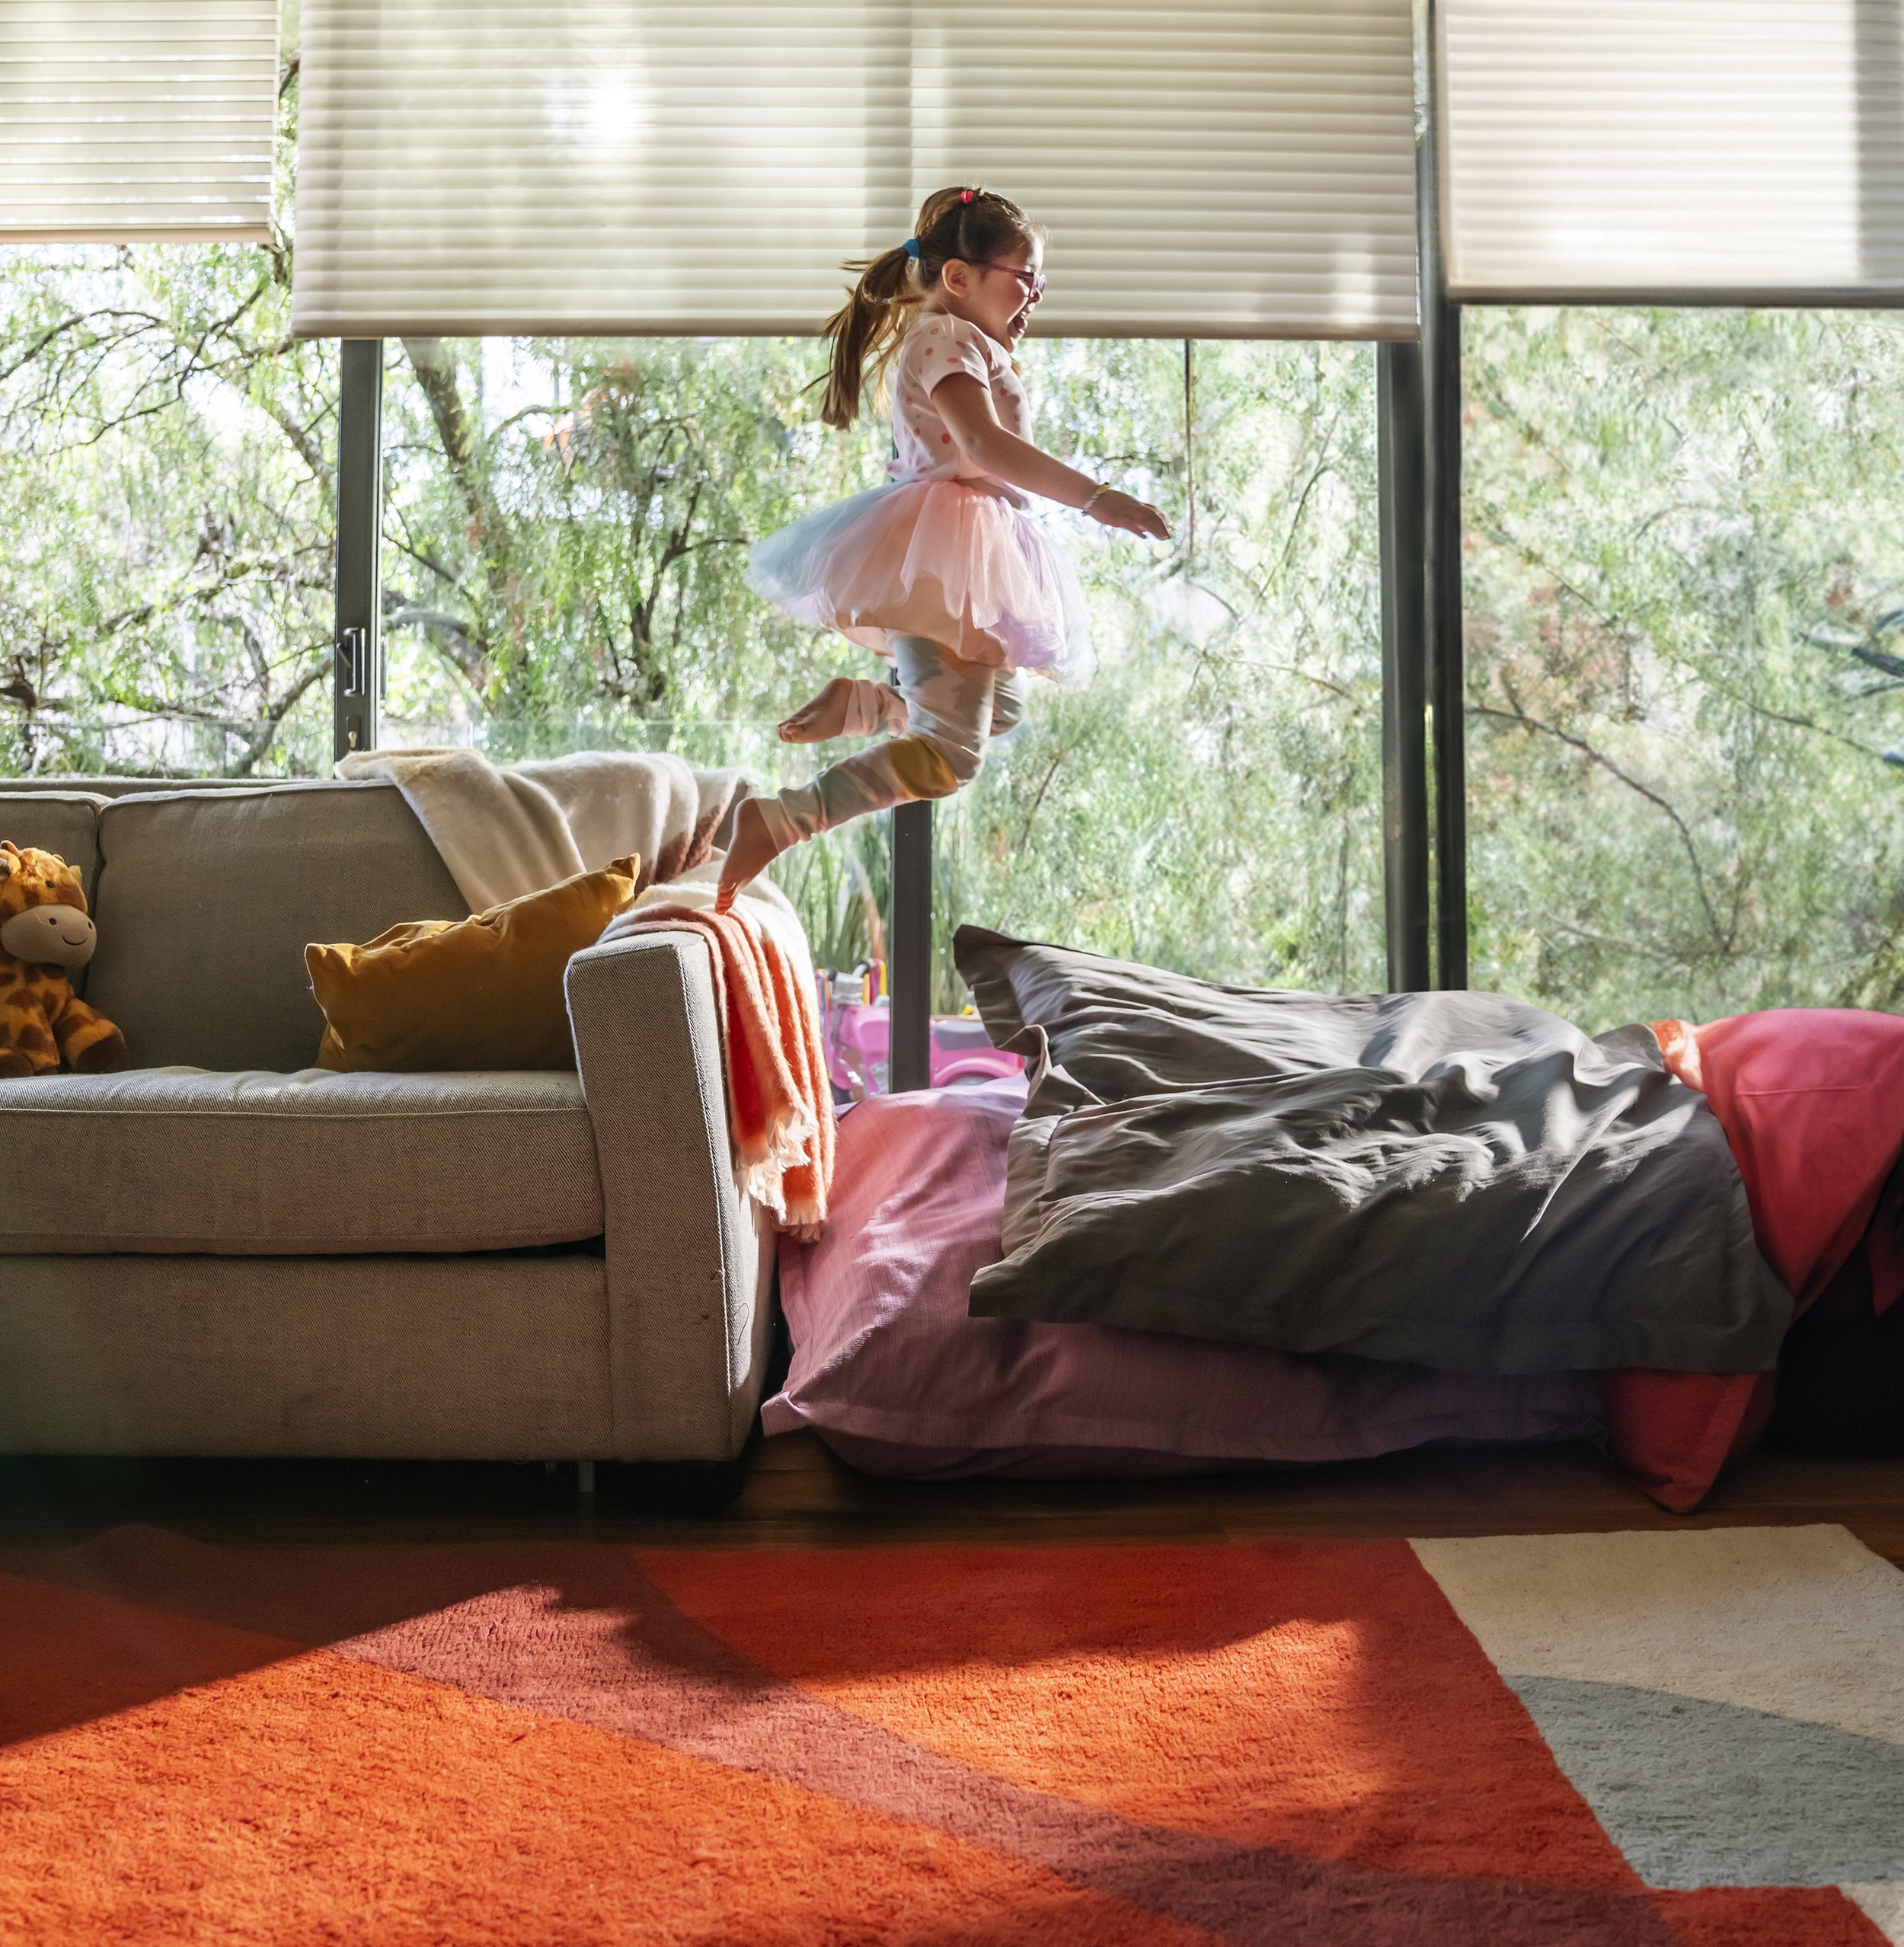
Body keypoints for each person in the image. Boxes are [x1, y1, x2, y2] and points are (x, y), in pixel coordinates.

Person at [716, 185, 1170, 910]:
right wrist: (1096, 498)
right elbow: (983, 446)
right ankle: (783, 818)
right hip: (948, 555)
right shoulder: (945, 337)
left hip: (969, 548)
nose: (1036, 297)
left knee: (1001, 711)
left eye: (1041, 284)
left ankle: (869, 705)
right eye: (1026, 278)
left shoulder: (967, 342)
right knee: (953, 753)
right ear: (959, 277)